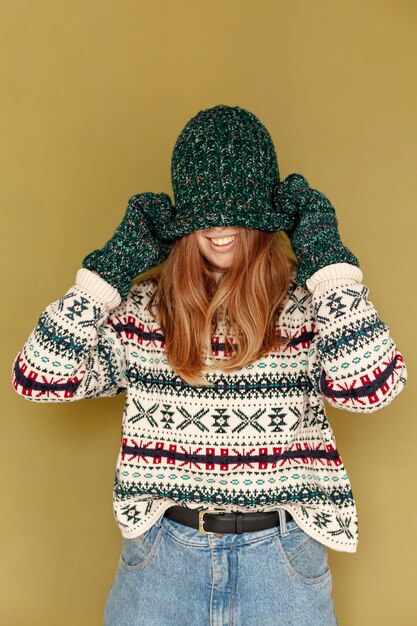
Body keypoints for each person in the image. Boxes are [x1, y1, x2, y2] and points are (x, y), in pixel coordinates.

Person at [11, 104, 408, 626]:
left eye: (237, 211)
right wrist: (111, 267)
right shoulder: (145, 310)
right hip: (161, 564)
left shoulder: (311, 306)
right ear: (184, 219)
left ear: (265, 218)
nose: (219, 227)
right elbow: (38, 378)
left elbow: (373, 387)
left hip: (282, 567)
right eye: (203, 212)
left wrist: (325, 253)